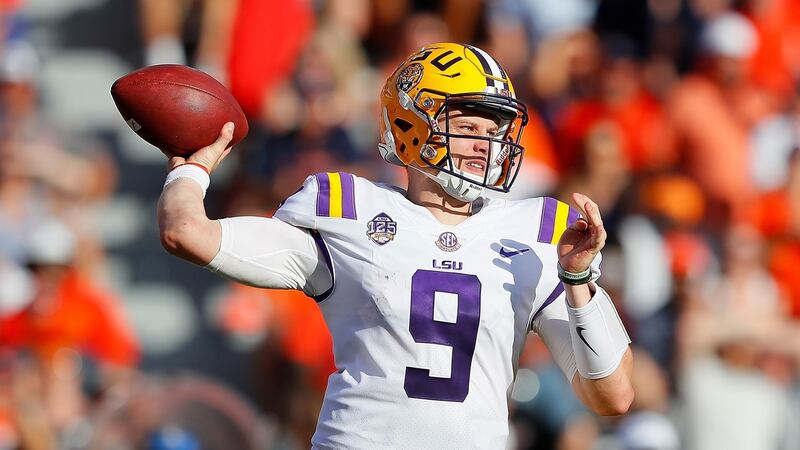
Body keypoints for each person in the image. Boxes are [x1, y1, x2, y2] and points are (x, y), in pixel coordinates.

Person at [156, 42, 633, 449]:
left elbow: (612, 396)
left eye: (495, 133)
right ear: (410, 126)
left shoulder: (535, 230)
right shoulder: (349, 210)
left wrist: (577, 279)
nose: (486, 147)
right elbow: (188, 234)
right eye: (469, 128)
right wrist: (190, 169)